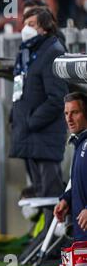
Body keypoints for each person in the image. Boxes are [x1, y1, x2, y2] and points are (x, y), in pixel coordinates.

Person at [10, 7, 68, 200]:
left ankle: (58, 229)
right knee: (38, 194)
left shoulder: (52, 52)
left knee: (50, 193)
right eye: (24, 24)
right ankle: (44, 231)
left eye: (31, 24)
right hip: (30, 134)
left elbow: (57, 98)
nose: (26, 29)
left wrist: (31, 121)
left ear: (44, 28)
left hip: (43, 133)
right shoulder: (27, 53)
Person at [54, 92, 87, 241]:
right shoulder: (79, 143)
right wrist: (66, 199)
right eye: (66, 113)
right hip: (82, 236)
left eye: (75, 112)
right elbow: (81, 183)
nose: (69, 118)